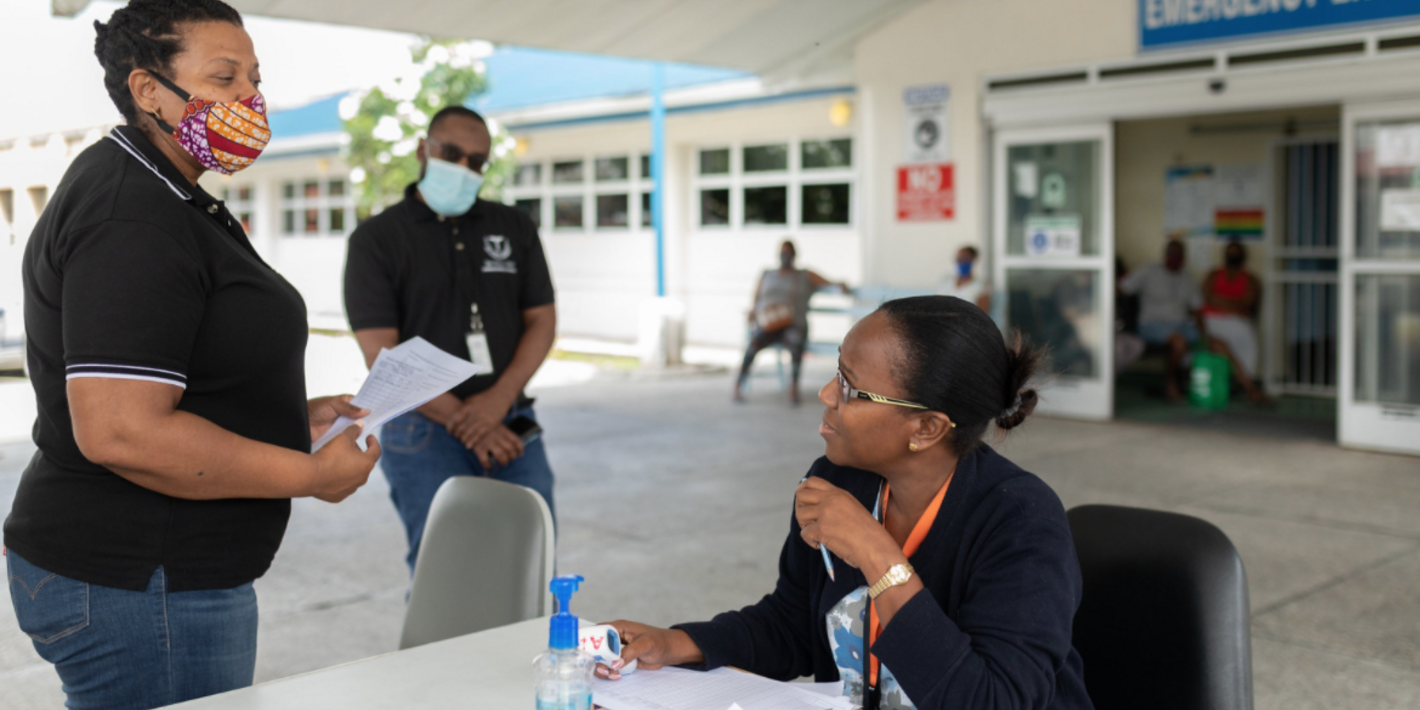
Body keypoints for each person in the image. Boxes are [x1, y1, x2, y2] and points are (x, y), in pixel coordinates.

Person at [3, 3, 382, 708]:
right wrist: (308, 474)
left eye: (254, 78)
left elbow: (182, 371)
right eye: (223, 77)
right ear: (149, 91)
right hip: (140, 577)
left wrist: (285, 418)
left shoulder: (167, 193)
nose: (250, 98)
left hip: (146, 575)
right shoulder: (131, 215)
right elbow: (124, 429)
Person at [602, 296, 1093, 710]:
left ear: (926, 428)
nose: (825, 394)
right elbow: (795, 625)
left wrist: (876, 554)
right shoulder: (838, 481)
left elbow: (993, 699)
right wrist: (679, 643)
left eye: (849, 387)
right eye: (836, 371)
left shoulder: (1020, 521)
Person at [344, 105, 557, 575]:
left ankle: (531, 652)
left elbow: (542, 319)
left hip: (512, 425)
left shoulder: (513, 226)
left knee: (531, 567)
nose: (464, 168)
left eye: (477, 161)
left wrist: (496, 403)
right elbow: (381, 349)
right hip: (423, 431)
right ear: (424, 150)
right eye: (452, 153)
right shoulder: (376, 239)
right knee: (445, 574)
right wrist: (466, 419)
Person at [1119, 240, 1270, 404]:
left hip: (1181, 326)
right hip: (1152, 326)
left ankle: (1250, 389)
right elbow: (1121, 289)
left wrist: (1204, 336)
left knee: (1219, 344)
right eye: (1172, 253)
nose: (1174, 257)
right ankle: (1172, 387)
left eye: (1178, 254)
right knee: (1179, 342)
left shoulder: (1187, 278)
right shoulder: (1148, 271)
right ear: (1165, 254)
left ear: (1183, 257)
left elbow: (1198, 310)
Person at [734, 240, 849, 406]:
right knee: (753, 343)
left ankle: (793, 388)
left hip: (794, 323)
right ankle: (737, 385)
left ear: (794, 255)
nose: (785, 256)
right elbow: (756, 298)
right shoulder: (767, 274)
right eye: (782, 252)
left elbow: (829, 282)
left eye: (788, 252)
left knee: (795, 341)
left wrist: (839, 285)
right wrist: (753, 312)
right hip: (770, 324)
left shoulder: (803, 275)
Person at [1200, 241, 1262, 384]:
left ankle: (1246, 379)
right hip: (1211, 319)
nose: (1233, 255)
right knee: (1210, 340)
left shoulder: (1250, 279)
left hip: (1237, 321)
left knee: (1246, 336)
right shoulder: (1214, 274)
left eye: (1236, 252)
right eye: (1230, 252)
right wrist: (1233, 304)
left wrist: (1220, 301)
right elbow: (1207, 298)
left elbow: (1247, 303)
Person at [936, 245, 991, 312]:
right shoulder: (945, 281)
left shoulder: (981, 286)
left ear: (973, 260)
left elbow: (982, 314)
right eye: (959, 259)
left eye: (965, 258)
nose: (961, 261)